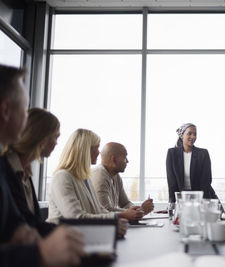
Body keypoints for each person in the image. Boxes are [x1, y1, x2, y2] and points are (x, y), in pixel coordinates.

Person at [0, 64, 84, 267]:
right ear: (5, 110)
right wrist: (37, 253)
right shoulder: (7, 168)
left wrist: (22, 232)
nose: (27, 118)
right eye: (25, 110)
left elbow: (22, 222)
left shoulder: (16, 171)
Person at [47, 129, 143, 233]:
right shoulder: (62, 177)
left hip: (84, 236)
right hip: (62, 240)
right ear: (86, 150)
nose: (99, 152)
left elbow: (98, 210)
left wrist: (121, 216)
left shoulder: (85, 178)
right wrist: (119, 216)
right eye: (96, 148)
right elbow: (76, 217)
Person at [2, 108, 59, 237]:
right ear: (43, 137)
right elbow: (24, 223)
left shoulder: (25, 171)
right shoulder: (6, 169)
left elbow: (33, 222)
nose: (56, 143)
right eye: (55, 137)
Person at [91, 142, 154, 214]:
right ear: (113, 160)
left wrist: (138, 210)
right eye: (124, 157)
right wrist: (141, 210)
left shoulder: (116, 176)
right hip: (100, 225)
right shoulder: (100, 177)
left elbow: (125, 203)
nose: (127, 161)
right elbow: (106, 211)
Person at [166, 123, 218, 203]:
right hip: (182, 199)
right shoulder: (172, 153)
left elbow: (206, 181)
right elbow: (172, 182)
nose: (193, 137)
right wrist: (172, 204)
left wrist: (202, 203)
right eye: (189, 133)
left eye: (195, 134)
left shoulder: (203, 153)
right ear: (182, 135)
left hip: (202, 198)